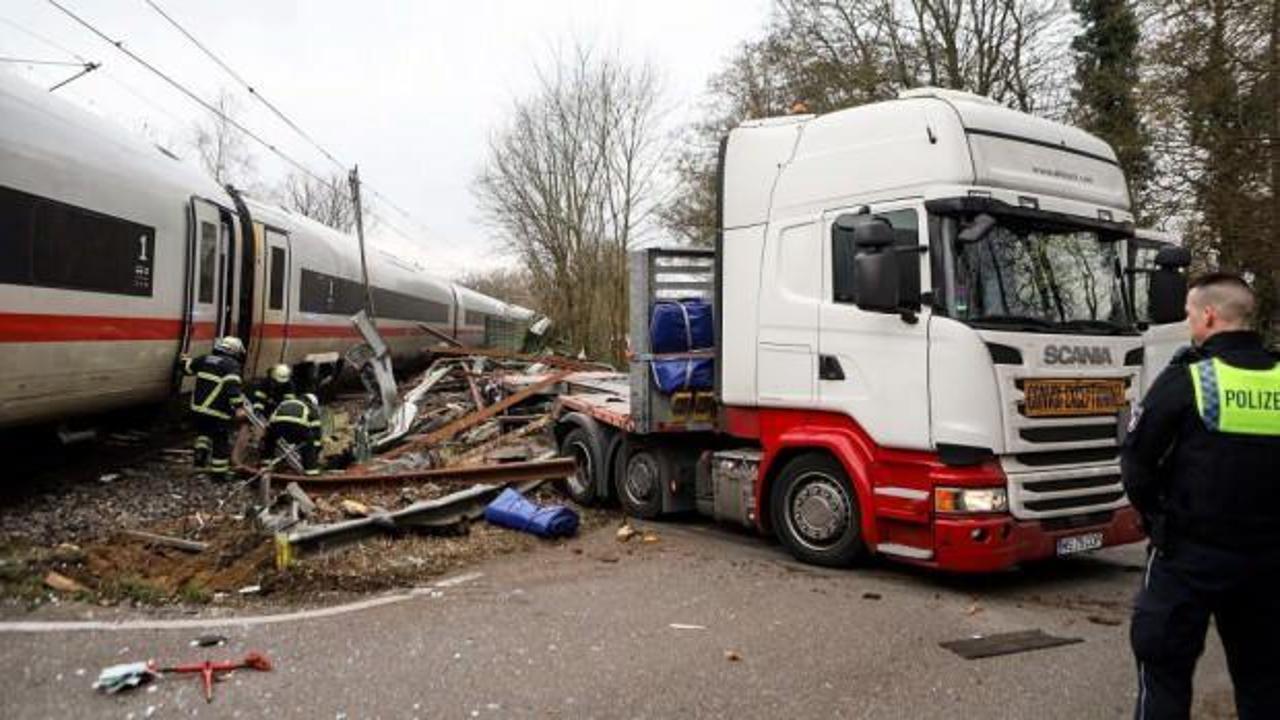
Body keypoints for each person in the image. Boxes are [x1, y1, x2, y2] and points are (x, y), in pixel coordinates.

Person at [1121, 272, 1280, 719]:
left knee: (1164, 677)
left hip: (1188, 557)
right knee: (1265, 683)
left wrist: (1158, 522)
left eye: (1190, 314)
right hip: (1268, 564)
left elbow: (1136, 464)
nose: (1189, 324)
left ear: (1209, 315)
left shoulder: (1188, 379)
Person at [178, 336, 247, 481]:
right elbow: (232, 388)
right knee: (220, 440)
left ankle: (200, 456)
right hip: (218, 410)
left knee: (203, 432)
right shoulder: (231, 365)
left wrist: (184, 359)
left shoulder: (205, 359)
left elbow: (187, 369)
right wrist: (239, 407)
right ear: (234, 351)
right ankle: (219, 474)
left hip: (198, 408)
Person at [263, 381, 324, 476]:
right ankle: (311, 471)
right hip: (296, 427)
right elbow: (316, 430)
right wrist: (315, 450)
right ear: (312, 402)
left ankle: (265, 462)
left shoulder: (286, 402)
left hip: (277, 425)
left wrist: (270, 432)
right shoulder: (309, 407)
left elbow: (272, 417)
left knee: (270, 439)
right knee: (308, 442)